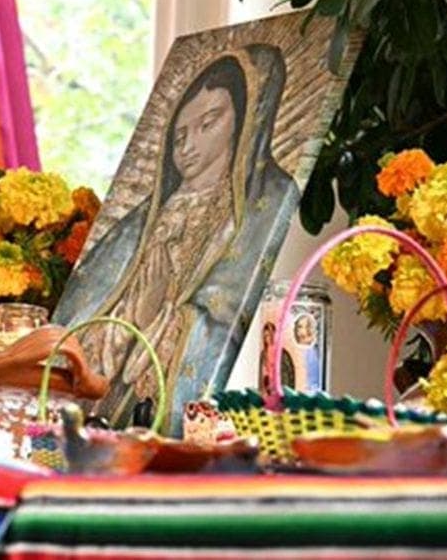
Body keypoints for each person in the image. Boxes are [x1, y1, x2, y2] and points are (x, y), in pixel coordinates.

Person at [54, 46, 300, 432]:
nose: (187, 145)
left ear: (246, 119)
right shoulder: (142, 221)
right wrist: (131, 318)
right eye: (179, 134)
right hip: (97, 405)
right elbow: (86, 315)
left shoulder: (263, 204)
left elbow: (219, 321)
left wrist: (162, 315)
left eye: (209, 122)